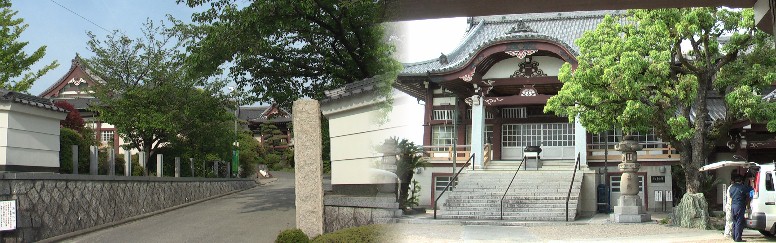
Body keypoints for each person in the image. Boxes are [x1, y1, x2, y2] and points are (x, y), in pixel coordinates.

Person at [729, 174, 750, 242]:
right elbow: (750, 190)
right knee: (739, 222)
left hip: (733, 206)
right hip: (739, 206)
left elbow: (730, 196)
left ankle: (734, 237)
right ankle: (738, 238)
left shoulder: (731, 187)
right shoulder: (742, 187)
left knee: (734, 221)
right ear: (741, 181)